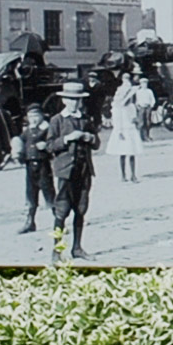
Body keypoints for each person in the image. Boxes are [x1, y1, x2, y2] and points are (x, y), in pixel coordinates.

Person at [52, 107, 98, 259]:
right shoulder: (57, 120)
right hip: (66, 172)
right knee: (62, 210)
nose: (75, 102)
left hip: (84, 170)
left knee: (81, 209)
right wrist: (67, 138)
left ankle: (77, 248)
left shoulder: (85, 119)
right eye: (71, 99)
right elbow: (49, 145)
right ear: (64, 100)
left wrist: (90, 138)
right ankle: (57, 251)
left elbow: (96, 143)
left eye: (78, 99)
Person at [15, 93, 60, 234]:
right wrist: (17, 150)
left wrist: (46, 146)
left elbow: (54, 143)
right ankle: (30, 221)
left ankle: (58, 221)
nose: (33, 119)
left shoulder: (47, 129)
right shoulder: (27, 131)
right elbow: (20, 141)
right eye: (31, 116)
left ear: (42, 116)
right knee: (31, 194)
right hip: (30, 166)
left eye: (36, 116)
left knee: (49, 193)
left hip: (43, 165)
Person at [107, 72, 150, 184]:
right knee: (122, 153)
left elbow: (133, 117)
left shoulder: (131, 107)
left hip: (130, 130)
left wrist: (135, 120)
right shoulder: (118, 108)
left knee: (132, 153)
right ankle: (123, 175)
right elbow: (117, 121)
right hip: (122, 130)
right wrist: (119, 131)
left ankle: (133, 175)